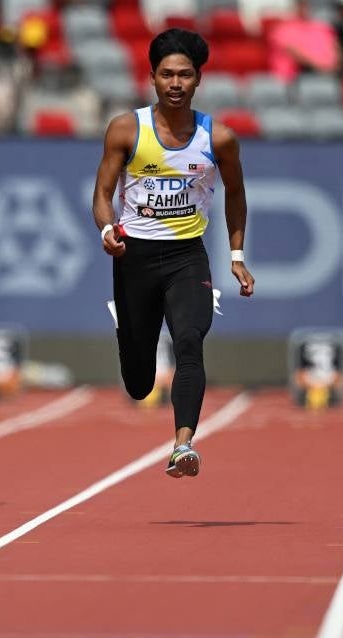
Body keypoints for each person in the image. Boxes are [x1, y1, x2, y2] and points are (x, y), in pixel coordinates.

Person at [91, 28, 254, 478]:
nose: (176, 83)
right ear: (153, 78)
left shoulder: (218, 138)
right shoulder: (127, 129)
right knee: (139, 383)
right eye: (167, 75)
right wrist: (107, 228)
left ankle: (183, 445)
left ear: (199, 79)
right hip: (135, 259)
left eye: (185, 75)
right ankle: (129, 331)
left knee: (189, 340)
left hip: (187, 256)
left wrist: (236, 256)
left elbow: (236, 195)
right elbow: (102, 194)